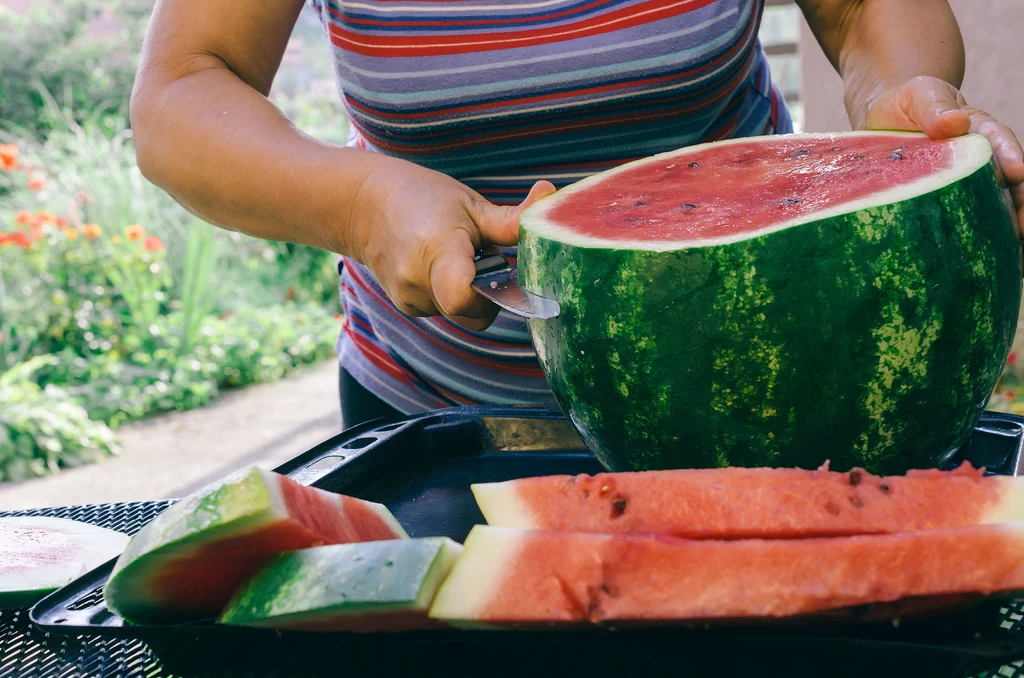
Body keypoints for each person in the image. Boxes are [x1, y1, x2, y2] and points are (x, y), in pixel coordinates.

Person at [131, 0, 1024, 430]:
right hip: (436, 412)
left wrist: (897, 103)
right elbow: (183, 87)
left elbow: (861, 9)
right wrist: (364, 203)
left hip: (778, 381)